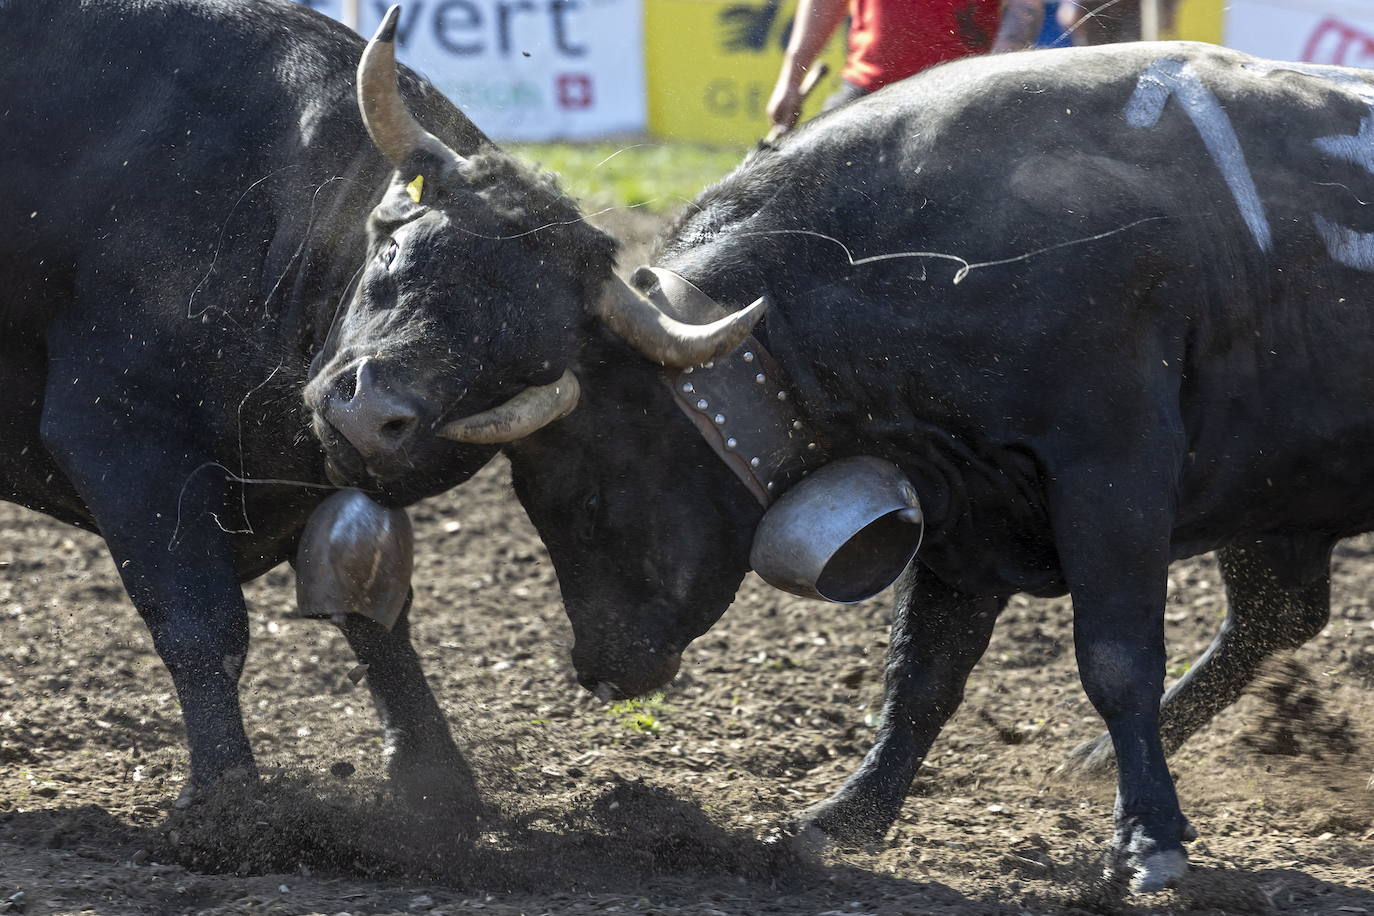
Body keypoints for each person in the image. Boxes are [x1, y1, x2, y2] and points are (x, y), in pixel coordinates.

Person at [766, 0, 1174, 133]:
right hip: (866, 92)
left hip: (960, 102)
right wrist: (790, 78)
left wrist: (994, 78)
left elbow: (1022, 7)